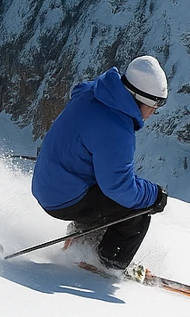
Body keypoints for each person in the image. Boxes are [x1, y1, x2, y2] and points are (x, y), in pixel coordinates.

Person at [31, 55, 170, 275]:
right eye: (153, 104)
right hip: (63, 198)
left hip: (48, 180)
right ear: (136, 97)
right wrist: (155, 196)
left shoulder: (92, 91)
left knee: (106, 193)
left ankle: (82, 243)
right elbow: (120, 188)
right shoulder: (117, 130)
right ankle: (104, 266)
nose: (154, 112)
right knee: (138, 209)